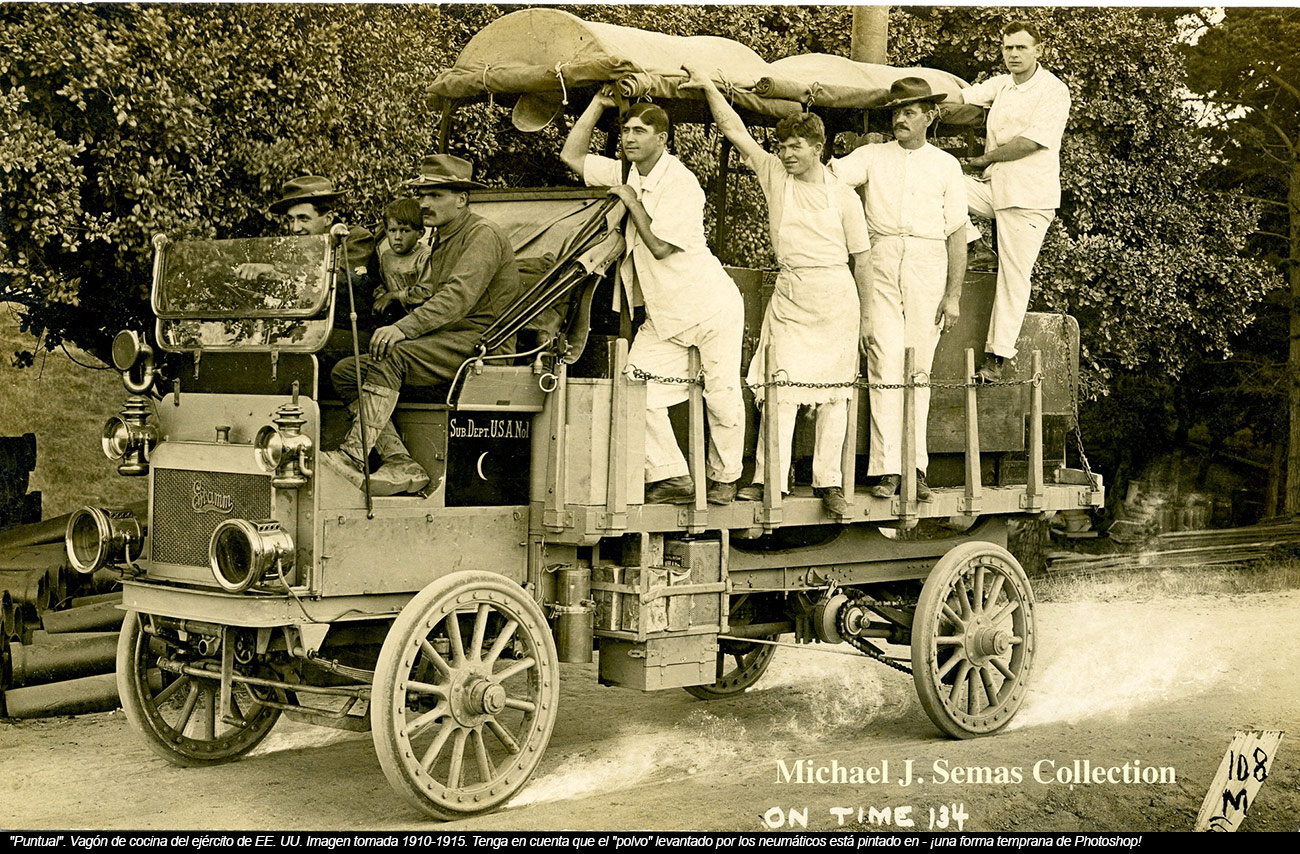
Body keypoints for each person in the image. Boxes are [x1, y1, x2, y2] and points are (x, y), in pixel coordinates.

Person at [681, 65, 871, 518]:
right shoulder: (774, 176)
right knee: (778, 388)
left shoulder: (845, 197)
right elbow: (734, 130)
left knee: (834, 396)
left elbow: (862, 260)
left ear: (818, 149)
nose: (786, 154)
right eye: (782, 146)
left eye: (795, 147)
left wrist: (866, 318)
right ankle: (769, 479)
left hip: (837, 298)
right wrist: (708, 87)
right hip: (790, 294)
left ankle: (829, 483)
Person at [560, 91, 746, 506]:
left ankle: (726, 477)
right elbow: (572, 156)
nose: (629, 138)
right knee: (634, 385)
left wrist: (631, 201)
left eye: (640, 131)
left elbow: (660, 246)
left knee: (720, 395)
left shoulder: (681, 182)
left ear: (662, 139)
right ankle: (672, 475)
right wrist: (598, 105)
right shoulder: (627, 172)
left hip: (709, 305)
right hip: (665, 314)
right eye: (626, 130)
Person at [322, 154, 520, 496]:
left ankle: (353, 456)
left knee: (390, 354)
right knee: (346, 371)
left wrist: (402, 329)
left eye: (435, 195)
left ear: (462, 199)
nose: (425, 203)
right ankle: (400, 462)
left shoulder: (482, 234)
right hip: (447, 339)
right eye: (422, 195)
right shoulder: (442, 238)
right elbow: (428, 294)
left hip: (484, 343)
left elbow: (457, 297)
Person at [830, 78, 968, 501]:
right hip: (882, 257)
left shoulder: (946, 165)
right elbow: (829, 178)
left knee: (918, 367)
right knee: (884, 361)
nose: (900, 119)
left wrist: (953, 294)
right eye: (896, 113)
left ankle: (915, 468)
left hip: (928, 263)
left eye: (909, 112)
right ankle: (888, 469)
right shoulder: (872, 155)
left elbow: (957, 233)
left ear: (929, 116)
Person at [957, 20, 1071, 383]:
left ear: (1039, 50)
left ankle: (997, 358)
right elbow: (964, 96)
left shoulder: (1054, 90)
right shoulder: (1002, 84)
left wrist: (984, 159)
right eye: (1008, 48)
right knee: (940, 184)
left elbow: (1030, 142)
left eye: (1021, 47)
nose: (1014, 54)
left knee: (1013, 277)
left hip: (1028, 198)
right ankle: (974, 245)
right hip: (995, 188)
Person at [237, 175, 377, 373]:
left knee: (284, 356)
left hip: (348, 333)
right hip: (307, 330)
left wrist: (275, 272)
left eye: (303, 218)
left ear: (328, 218)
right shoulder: (294, 248)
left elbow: (343, 281)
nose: (295, 228)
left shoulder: (353, 239)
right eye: (291, 219)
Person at [373, 197, 434, 319]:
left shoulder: (424, 256)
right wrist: (381, 296)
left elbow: (427, 292)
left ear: (420, 233)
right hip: (395, 315)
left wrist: (393, 296)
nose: (397, 237)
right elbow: (382, 283)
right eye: (392, 230)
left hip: (422, 316)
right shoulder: (386, 257)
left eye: (405, 231)